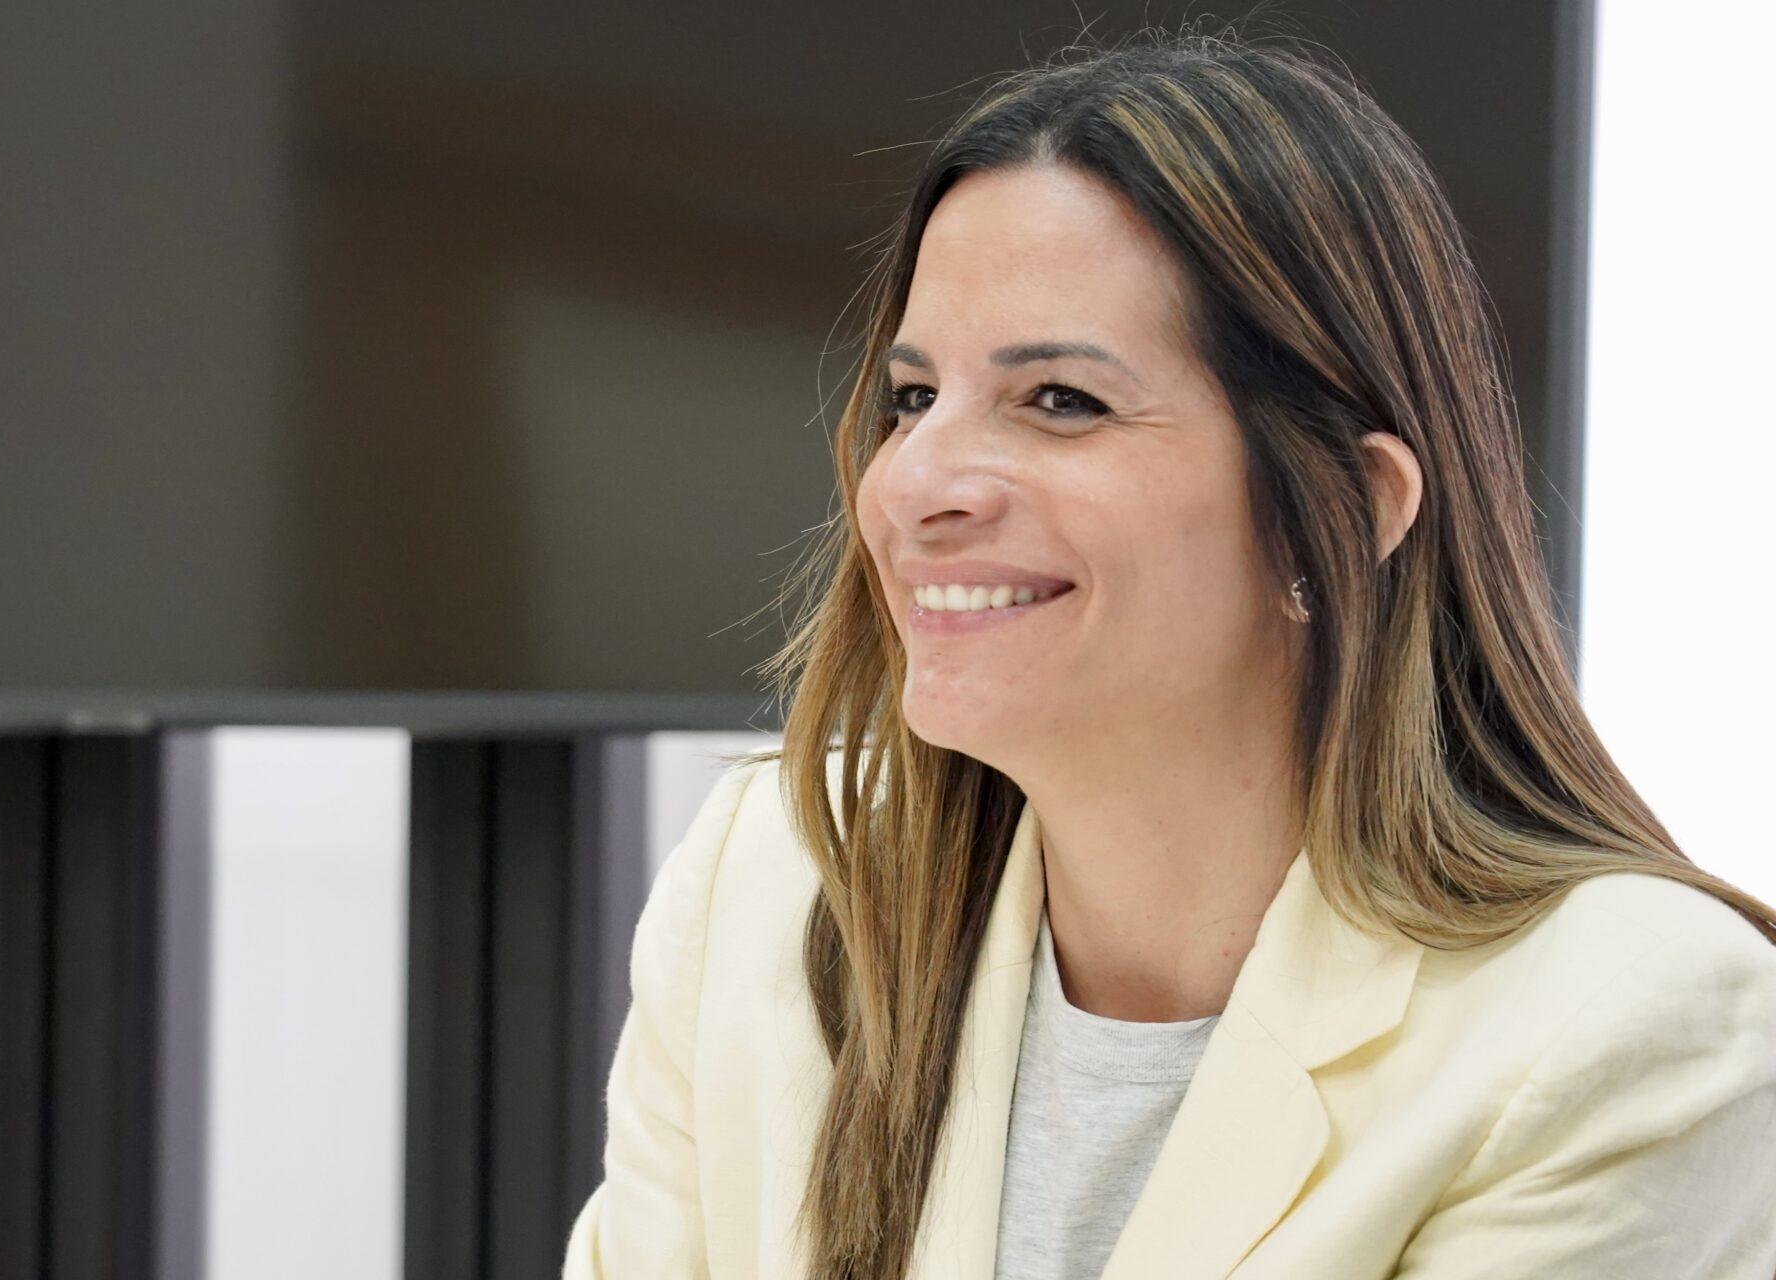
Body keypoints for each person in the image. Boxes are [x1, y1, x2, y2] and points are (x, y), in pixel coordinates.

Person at [564, 29, 1776, 1280]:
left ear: (1348, 508)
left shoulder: (1627, 1023)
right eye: (913, 398)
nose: (911, 484)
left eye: (1062, 400)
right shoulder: (769, 879)